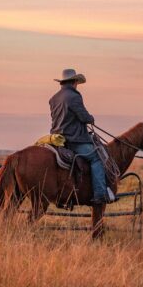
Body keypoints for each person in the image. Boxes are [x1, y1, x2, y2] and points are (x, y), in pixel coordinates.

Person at [49, 68, 110, 205]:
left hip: (57, 140)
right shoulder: (74, 96)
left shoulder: (53, 99)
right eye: (77, 82)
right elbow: (83, 116)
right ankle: (100, 194)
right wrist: (90, 118)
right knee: (96, 158)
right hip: (74, 140)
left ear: (63, 82)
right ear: (75, 81)